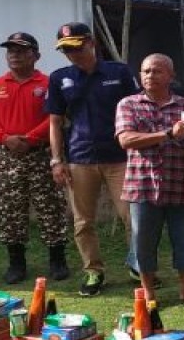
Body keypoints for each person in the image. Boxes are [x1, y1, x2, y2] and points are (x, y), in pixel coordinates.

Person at [45, 23, 139, 297]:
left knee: (132, 216)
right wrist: (56, 160)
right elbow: (54, 122)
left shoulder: (118, 72)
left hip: (119, 157)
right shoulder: (59, 78)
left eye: (76, 46)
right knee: (83, 221)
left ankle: (137, 265)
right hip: (80, 158)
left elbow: (136, 110)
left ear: (91, 42)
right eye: (65, 49)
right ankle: (93, 271)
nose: (71, 53)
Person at [115, 54, 184, 307]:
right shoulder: (128, 104)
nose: (149, 76)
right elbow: (125, 140)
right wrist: (168, 134)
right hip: (142, 184)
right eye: (145, 71)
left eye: (157, 71)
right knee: (143, 242)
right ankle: (148, 293)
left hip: (181, 184)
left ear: (171, 75)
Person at [0, 32, 70, 285]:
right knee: (10, 210)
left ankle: (57, 260)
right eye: (10, 51)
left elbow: (55, 117)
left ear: (36, 55)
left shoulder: (49, 83)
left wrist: (29, 138)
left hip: (40, 153)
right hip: (8, 156)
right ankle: (16, 263)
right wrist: (5, 138)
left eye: (21, 50)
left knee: (50, 207)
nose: (14, 55)